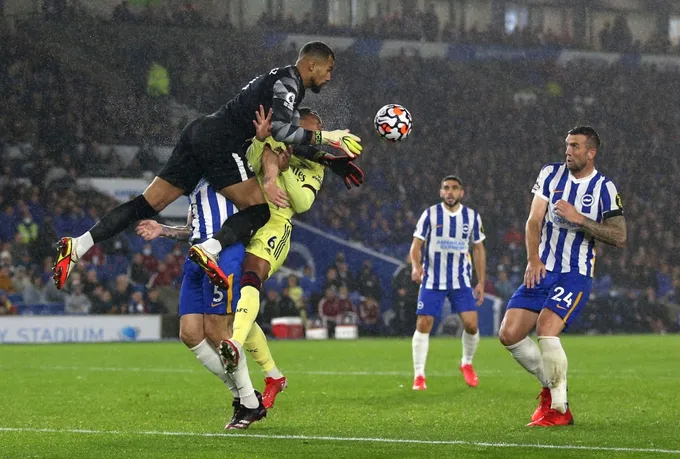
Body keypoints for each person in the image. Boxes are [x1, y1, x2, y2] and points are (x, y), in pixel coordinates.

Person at [52, 41, 362, 290]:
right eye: (328, 69)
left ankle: (78, 245)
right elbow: (281, 133)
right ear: (311, 64)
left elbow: (284, 136)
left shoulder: (278, 79)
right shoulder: (289, 83)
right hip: (220, 144)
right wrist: (328, 137)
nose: (329, 76)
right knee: (259, 209)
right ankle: (210, 249)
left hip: (198, 132)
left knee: (147, 204)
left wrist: (327, 160)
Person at [214, 107, 363, 413]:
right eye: (298, 129)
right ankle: (273, 375)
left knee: (251, 276)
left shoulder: (314, 166)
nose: (302, 137)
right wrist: (263, 143)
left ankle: (236, 344)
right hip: (246, 217)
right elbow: (254, 161)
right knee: (234, 306)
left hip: (276, 225)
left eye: (309, 133)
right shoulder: (275, 144)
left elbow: (303, 201)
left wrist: (286, 166)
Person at [498, 126, 626, 427]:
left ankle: (559, 408)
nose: (568, 151)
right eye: (567, 145)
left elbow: (620, 237)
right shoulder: (550, 174)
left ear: (591, 152)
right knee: (509, 334)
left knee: (546, 328)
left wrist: (579, 218)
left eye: (576, 146)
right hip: (542, 268)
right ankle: (550, 387)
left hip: (575, 273)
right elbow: (533, 220)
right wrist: (532, 260)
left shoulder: (605, 188)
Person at [409, 175, 486, 390]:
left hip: (460, 280)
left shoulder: (472, 217)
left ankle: (467, 364)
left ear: (462, 192)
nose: (450, 192)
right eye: (446, 188)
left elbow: (478, 249)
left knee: (471, 325)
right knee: (424, 324)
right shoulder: (430, 215)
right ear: (441, 192)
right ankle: (419, 375)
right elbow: (416, 245)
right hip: (432, 279)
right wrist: (416, 266)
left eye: (454, 188)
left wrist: (480, 282)